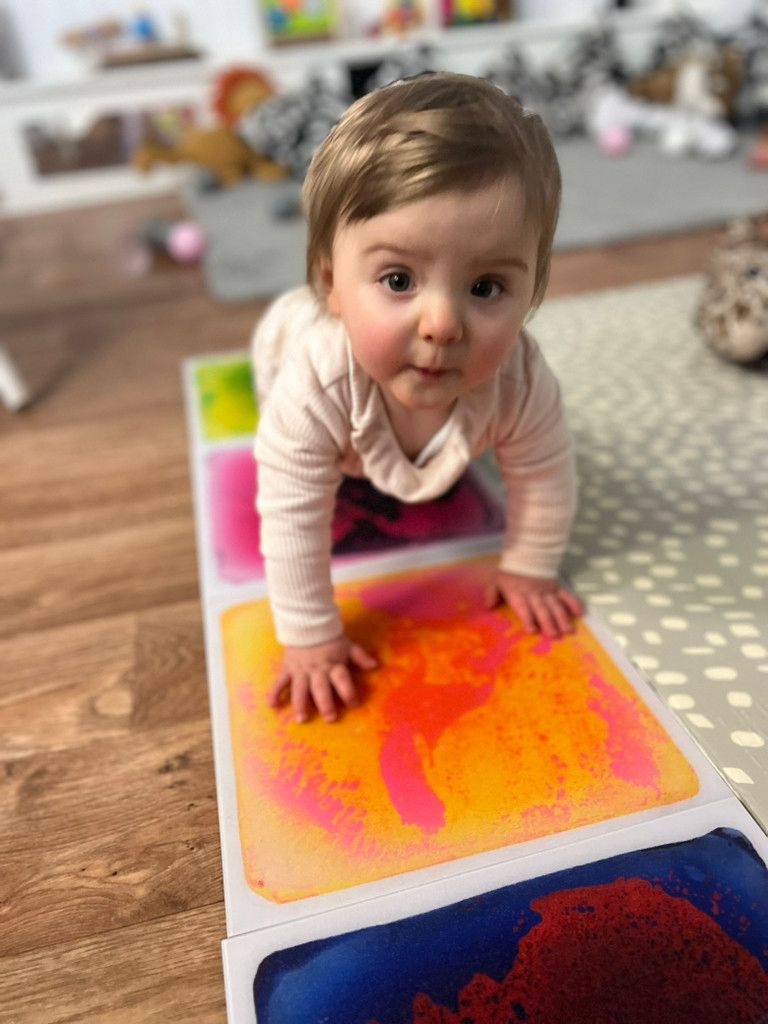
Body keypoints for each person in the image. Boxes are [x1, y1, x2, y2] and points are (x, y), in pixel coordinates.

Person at [252, 71, 583, 724]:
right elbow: (290, 510)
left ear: (532, 294)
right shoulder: (316, 380)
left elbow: (545, 474)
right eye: (399, 279)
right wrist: (310, 636)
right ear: (331, 281)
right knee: (294, 454)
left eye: (485, 288)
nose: (443, 324)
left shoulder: (519, 379)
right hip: (284, 353)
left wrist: (529, 566)